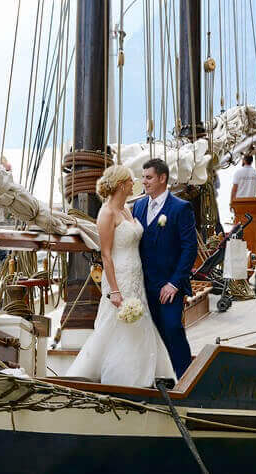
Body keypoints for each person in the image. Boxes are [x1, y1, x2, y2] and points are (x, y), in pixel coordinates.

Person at [67, 165, 176, 387]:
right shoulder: (106, 214)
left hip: (135, 274)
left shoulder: (126, 209)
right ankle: (122, 378)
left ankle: (146, 373)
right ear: (120, 185)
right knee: (117, 324)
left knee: (140, 322)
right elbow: (106, 255)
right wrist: (114, 290)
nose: (133, 183)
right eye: (129, 181)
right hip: (119, 276)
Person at [133, 158, 198, 378]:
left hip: (169, 285)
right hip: (143, 285)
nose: (144, 182)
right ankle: (157, 377)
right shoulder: (138, 206)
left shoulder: (181, 208)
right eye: (143, 177)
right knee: (150, 333)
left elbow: (190, 248)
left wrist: (173, 283)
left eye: (149, 177)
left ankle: (184, 376)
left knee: (172, 328)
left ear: (162, 178)